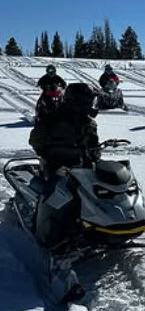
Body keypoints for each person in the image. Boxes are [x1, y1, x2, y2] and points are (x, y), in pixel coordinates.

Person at [28, 82, 100, 247]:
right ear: (76, 101)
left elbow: (93, 144)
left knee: (98, 190)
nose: (90, 104)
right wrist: (48, 151)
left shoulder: (89, 123)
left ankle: (100, 224)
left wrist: (94, 152)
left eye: (91, 101)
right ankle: (46, 231)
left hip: (81, 166)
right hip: (56, 164)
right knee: (57, 194)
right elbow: (35, 139)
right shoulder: (52, 117)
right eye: (87, 101)